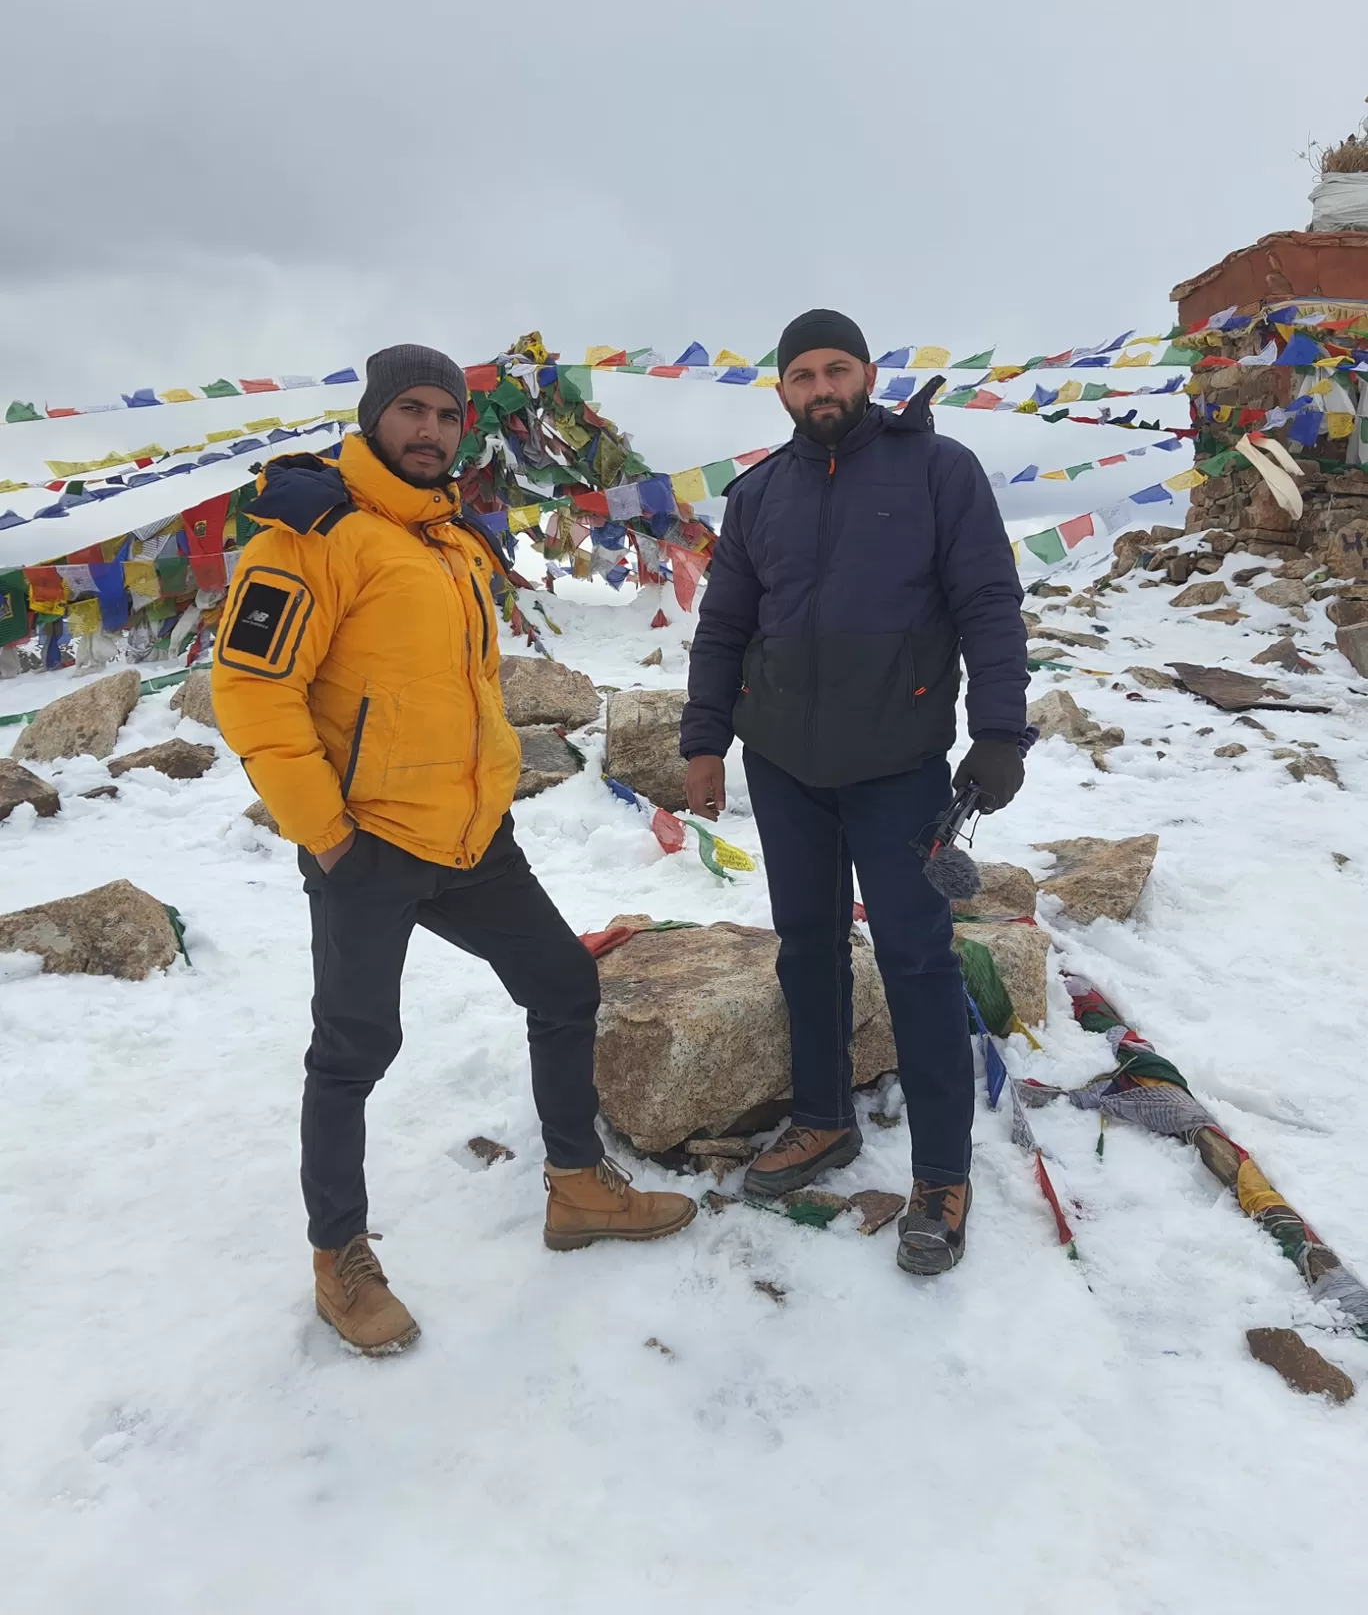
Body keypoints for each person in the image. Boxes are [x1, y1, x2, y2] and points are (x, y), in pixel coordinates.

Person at [213, 344, 695, 1356]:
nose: (430, 429)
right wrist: (330, 836)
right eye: (412, 411)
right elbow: (252, 690)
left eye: (445, 414)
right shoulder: (312, 532)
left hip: (473, 834)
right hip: (369, 844)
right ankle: (338, 1258)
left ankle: (575, 1188)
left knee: (563, 985)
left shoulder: (452, 542)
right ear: (376, 418)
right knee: (354, 1051)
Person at [680, 310, 1028, 1275]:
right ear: (782, 390)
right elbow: (724, 627)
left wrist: (1000, 730)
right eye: (803, 374)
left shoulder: (938, 470)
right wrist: (704, 741)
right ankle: (823, 1120)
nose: (821, 387)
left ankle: (942, 1172)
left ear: (868, 374)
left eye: (838, 369)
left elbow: (989, 602)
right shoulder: (758, 496)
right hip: (783, 765)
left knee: (917, 961)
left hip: (899, 764)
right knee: (807, 948)